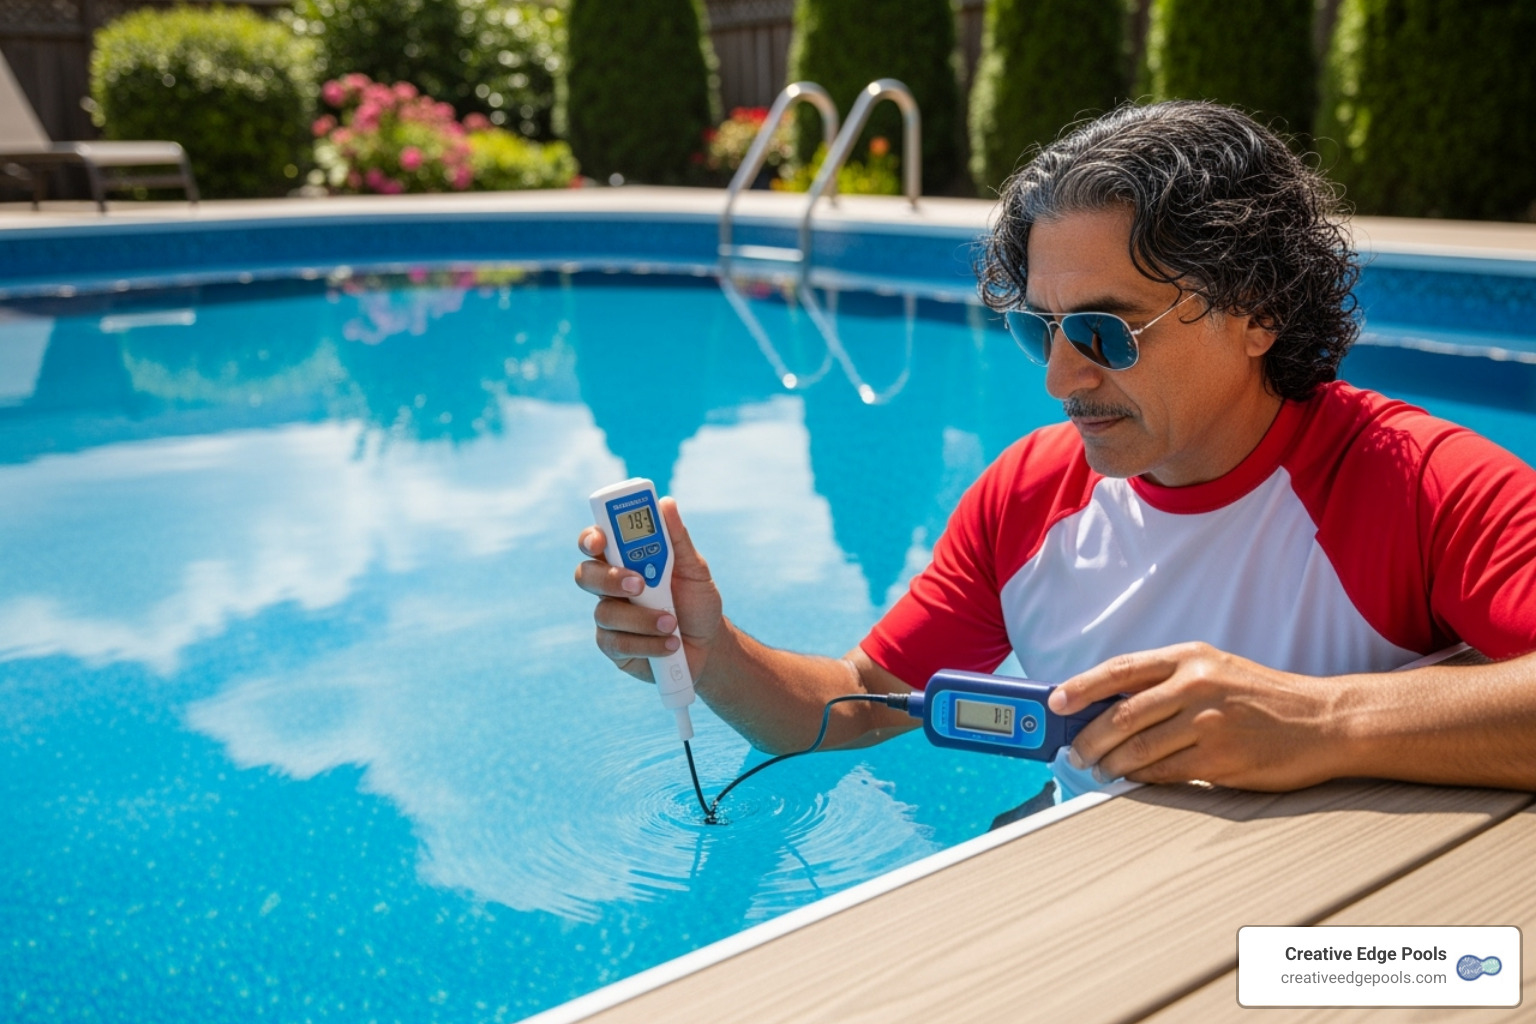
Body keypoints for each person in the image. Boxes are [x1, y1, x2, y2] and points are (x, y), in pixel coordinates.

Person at [574, 101, 1536, 793]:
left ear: (1258, 310)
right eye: (1043, 329)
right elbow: (860, 700)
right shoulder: (1029, 495)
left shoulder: (1417, 483)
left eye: (1109, 335)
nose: (1060, 380)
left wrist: (1323, 721)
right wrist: (712, 652)